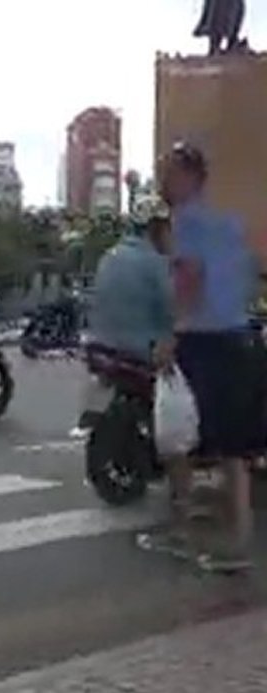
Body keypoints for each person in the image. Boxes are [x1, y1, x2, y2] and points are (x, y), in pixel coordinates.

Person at [162, 141, 262, 572]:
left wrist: (170, 333)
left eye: (170, 173)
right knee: (232, 446)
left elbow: (189, 276)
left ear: (189, 177)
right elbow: (247, 276)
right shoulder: (232, 224)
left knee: (179, 434)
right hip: (239, 335)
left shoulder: (186, 220)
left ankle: (184, 527)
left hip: (202, 338)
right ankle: (238, 538)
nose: (165, 181)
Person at [88, 195, 191, 555]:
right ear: (156, 228)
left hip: (102, 348)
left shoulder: (110, 256)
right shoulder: (155, 263)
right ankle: (185, 476)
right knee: (193, 393)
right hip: (142, 351)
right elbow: (172, 309)